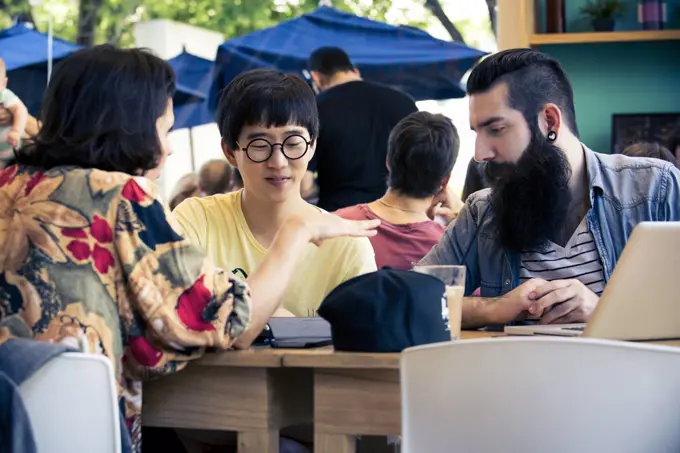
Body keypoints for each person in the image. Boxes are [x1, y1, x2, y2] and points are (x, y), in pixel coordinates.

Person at [0, 45, 378, 453]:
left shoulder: (8, 187)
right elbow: (229, 321)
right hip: (80, 431)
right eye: (164, 129)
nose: (169, 148)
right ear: (130, 127)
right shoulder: (122, 200)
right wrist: (298, 230)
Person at [419, 48, 680, 328]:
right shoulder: (481, 211)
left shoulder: (656, 188)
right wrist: (495, 308)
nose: (480, 154)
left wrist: (604, 311)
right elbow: (413, 298)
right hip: (513, 371)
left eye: (495, 129)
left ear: (549, 121)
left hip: (627, 372)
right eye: (477, 133)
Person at [173, 68, 378, 318]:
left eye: (293, 143)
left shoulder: (347, 246)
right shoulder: (196, 220)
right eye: (260, 146)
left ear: (313, 146)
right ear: (229, 152)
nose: (279, 161)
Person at [335, 111, 460, 270]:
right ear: (445, 180)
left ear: (388, 161)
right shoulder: (452, 250)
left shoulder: (337, 224)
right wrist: (464, 223)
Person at [305, 46, 418, 211]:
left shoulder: (314, 108)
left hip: (340, 218)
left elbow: (304, 186)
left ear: (316, 76)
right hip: (398, 215)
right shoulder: (404, 102)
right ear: (355, 71)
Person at [0, 57, 28, 168]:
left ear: (4, 83)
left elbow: (20, 110)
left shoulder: (5, 95)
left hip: (10, 144)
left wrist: (17, 130)